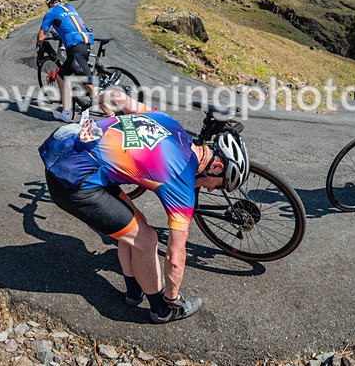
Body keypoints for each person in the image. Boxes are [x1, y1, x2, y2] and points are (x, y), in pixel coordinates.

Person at [38, 105, 250, 323]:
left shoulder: (170, 123)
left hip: (67, 147)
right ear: (216, 167)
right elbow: (175, 259)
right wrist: (172, 296)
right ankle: (162, 310)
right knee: (147, 240)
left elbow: (129, 107)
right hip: (72, 181)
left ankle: (133, 293)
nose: (211, 189)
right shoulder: (179, 178)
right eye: (220, 184)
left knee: (132, 225)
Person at [35, 0, 114, 122]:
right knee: (61, 77)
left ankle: (110, 114)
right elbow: (80, 22)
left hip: (75, 48)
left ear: (49, 3)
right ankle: (66, 113)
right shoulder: (70, 8)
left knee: (88, 84)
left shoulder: (50, 12)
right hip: (84, 43)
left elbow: (41, 36)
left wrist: (39, 46)